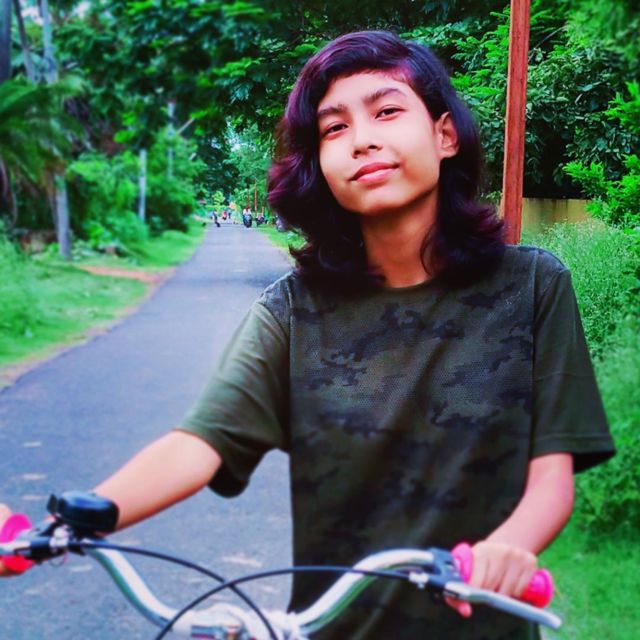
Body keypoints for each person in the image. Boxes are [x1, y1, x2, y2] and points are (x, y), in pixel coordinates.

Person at [1, 31, 615, 639]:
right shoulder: (293, 311)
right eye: (335, 127)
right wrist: (67, 526)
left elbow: (552, 477)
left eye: (387, 111)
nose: (362, 138)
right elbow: (200, 442)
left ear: (445, 135)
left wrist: (509, 548)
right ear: (320, 163)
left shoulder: (531, 286)